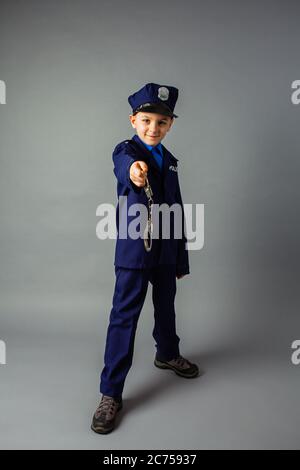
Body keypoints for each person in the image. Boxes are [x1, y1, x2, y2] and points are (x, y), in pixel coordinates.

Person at [91, 83, 199, 434]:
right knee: (125, 317)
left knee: (166, 306)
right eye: (147, 120)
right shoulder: (126, 150)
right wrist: (135, 172)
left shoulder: (170, 161)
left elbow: (177, 211)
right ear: (133, 120)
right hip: (136, 252)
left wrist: (181, 260)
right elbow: (125, 168)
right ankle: (110, 393)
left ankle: (167, 353)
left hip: (165, 249)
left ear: (171, 125)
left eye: (162, 122)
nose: (153, 128)